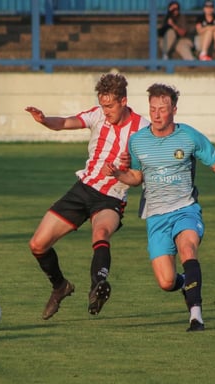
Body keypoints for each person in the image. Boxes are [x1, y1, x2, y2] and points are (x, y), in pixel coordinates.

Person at [103, 83, 215, 332]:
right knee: (166, 281)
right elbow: (137, 178)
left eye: (163, 109)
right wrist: (119, 174)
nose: (157, 114)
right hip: (156, 216)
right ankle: (186, 283)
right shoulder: (138, 141)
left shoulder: (189, 136)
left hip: (186, 209)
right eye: (153, 109)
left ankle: (196, 315)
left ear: (174, 110)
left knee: (187, 248)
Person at [25, 73, 150, 320]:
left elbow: (140, 175)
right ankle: (60, 286)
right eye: (103, 105)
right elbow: (66, 122)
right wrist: (44, 120)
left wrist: (127, 168)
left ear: (123, 101)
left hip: (111, 197)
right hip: (83, 189)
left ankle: (98, 287)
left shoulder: (142, 129)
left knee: (101, 233)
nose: (106, 112)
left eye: (110, 106)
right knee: (37, 245)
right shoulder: (97, 115)